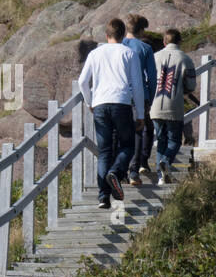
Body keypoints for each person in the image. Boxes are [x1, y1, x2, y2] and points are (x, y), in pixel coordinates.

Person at [78, 18, 145, 206]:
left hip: (100, 104)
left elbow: (82, 82)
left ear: (106, 35)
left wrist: (89, 102)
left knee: (105, 150)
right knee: (128, 145)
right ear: (123, 35)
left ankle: (103, 196)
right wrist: (140, 114)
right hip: (121, 103)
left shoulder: (95, 54)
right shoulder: (129, 53)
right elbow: (138, 87)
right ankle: (116, 172)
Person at [150, 28, 197, 183]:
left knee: (161, 140)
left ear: (164, 41)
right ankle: (166, 161)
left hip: (155, 105)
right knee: (174, 141)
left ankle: (160, 177)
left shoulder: (154, 57)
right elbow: (191, 86)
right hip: (174, 106)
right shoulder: (185, 59)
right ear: (180, 42)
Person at [123, 13, 157, 185]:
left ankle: (119, 170)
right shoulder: (145, 48)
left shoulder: (117, 46)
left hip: (119, 95)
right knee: (141, 130)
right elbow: (151, 76)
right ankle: (136, 167)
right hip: (139, 95)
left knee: (120, 133)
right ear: (142, 30)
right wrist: (150, 97)